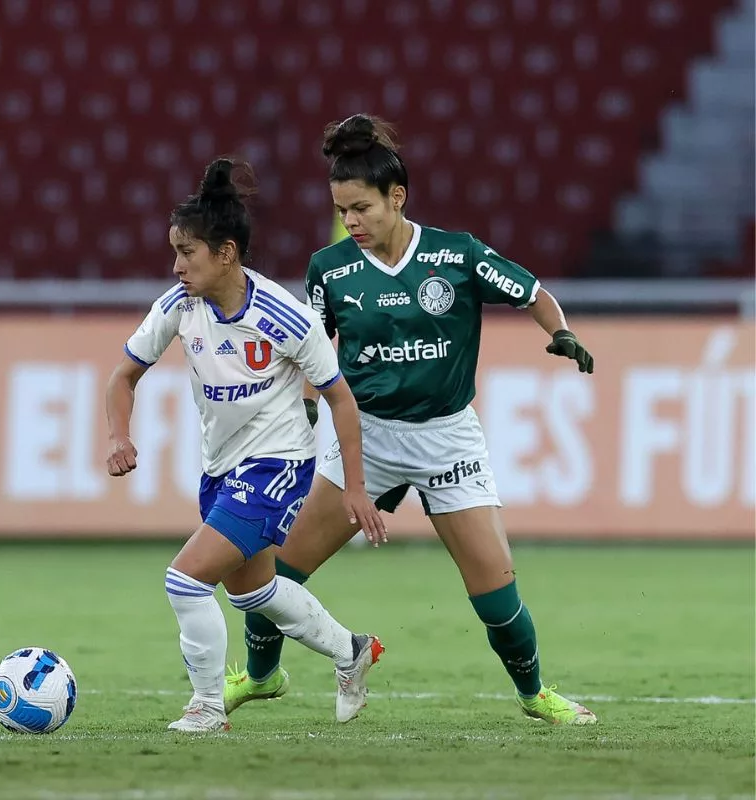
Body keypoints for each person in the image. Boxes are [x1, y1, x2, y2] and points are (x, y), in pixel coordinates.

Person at [225, 115, 598, 726]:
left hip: (448, 437)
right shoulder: (331, 268)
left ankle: (534, 694)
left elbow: (531, 291)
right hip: (364, 438)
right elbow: (316, 348)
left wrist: (559, 332)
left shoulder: (456, 254)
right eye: (343, 209)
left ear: (397, 197)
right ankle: (262, 678)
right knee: (271, 569)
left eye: (363, 208)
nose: (353, 221)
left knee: (495, 592)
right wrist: (305, 410)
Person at [104, 157, 388, 733]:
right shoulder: (178, 307)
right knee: (254, 592)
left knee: (184, 580)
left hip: (279, 464)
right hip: (220, 468)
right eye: (175, 253)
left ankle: (207, 706)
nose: (177, 266)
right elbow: (122, 377)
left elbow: (340, 399)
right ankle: (352, 649)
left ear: (226, 253)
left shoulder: (286, 317)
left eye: (187, 253)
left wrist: (354, 488)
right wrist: (117, 434)